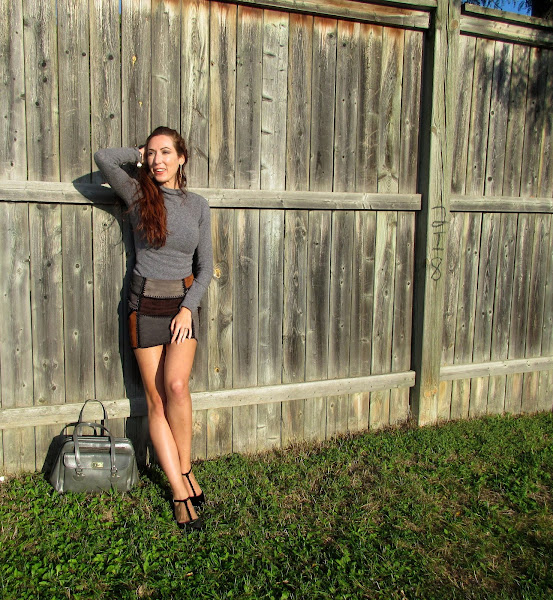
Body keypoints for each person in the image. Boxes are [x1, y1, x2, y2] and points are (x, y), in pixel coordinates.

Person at [94, 127, 213, 531]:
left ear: (182, 158)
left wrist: (188, 309)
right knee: (156, 400)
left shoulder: (198, 205)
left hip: (181, 308)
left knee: (177, 387)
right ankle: (179, 493)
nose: (157, 160)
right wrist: (138, 152)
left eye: (166, 152)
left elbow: (205, 267)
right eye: (151, 154)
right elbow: (103, 158)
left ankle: (185, 468)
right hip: (144, 305)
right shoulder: (137, 194)